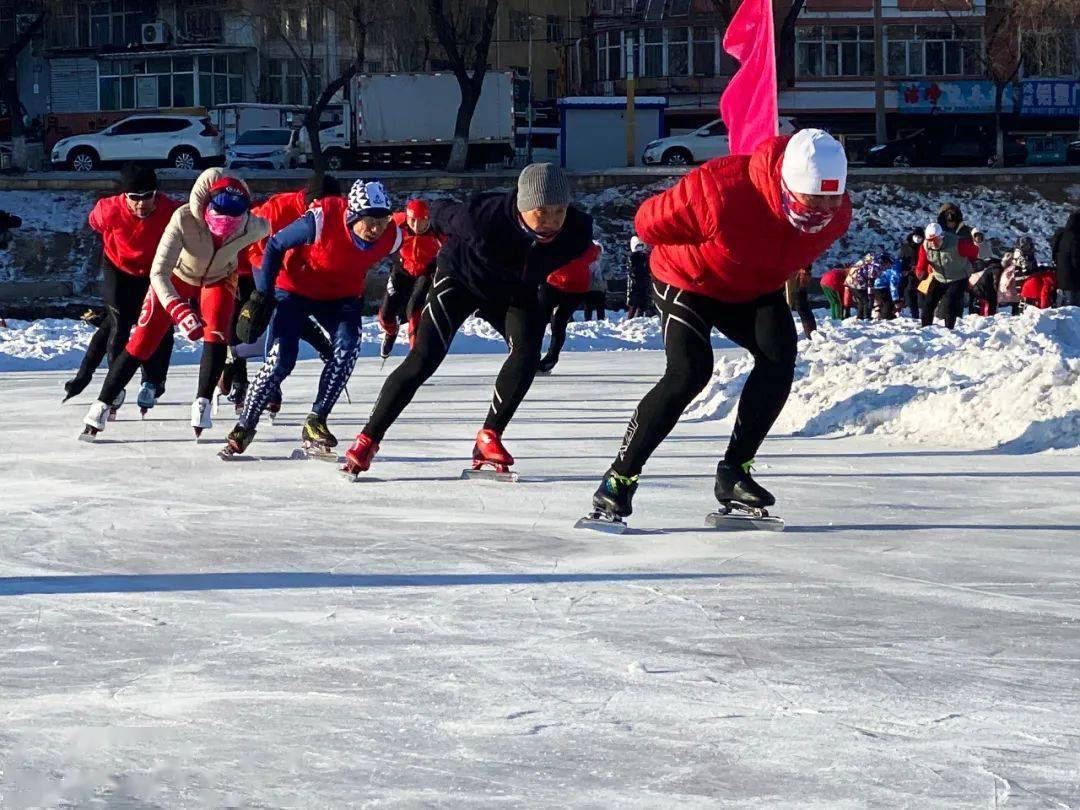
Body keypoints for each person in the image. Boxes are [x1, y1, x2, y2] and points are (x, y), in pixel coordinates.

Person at [587, 129, 851, 524]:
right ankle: (618, 480)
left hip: (751, 285)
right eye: (810, 202)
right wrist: (696, 237)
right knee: (690, 371)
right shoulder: (720, 190)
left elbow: (791, 238)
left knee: (779, 357)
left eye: (830, 202)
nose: (818, 215)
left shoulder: (838, 216)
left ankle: (734, 473)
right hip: (688, 279)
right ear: (785, 184)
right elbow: (647, 224)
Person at [342, 163, 595, 477]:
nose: (552, 222)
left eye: (560, 211)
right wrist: (419, 226)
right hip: (463, 279)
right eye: (542, 212)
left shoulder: (578, 230)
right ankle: (368, 438)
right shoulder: (481, 218)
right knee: (424, 357)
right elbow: (438, 211)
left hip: (515, 290)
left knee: (528, 355)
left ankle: (489, 437)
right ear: (522, 206)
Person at [80, 169, 269, 440]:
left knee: (216, 333)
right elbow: (158, 272)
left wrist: (264, 293)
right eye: (218, 218)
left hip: (218, 279)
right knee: (142, 340)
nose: (224, 228)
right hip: (177, 277)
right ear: (205, 207)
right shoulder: (182, 218)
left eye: (234, 222)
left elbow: (277, 245)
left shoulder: (255, 226)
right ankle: (100, 405)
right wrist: (178, 309)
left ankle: (202, 403)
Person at [224, 179, 403, 456]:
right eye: (369, 221)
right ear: (352, 215)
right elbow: (274, 246)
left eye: (382, 220)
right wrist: (262, 295)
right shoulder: (320, 219)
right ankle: (245, 424)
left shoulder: (392, 235)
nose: (375, 230)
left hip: (342, 297)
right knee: (281, 359)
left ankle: (317, 419)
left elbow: (423, 234)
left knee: (349, 345)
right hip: (295, 289)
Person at [64, 164, 179, 412]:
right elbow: (94, 224)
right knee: (119, 323)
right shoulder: (108, 210)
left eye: (147, 196)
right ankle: (116, 387)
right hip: (119, 268)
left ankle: (152, 381)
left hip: (154, 271)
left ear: (156, 193)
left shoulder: (170, 210)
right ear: (124, 196)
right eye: (134, 198)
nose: (141, 204)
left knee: (158, 324)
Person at [222, 175, 341, 412]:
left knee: (289, 321)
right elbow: (250, 233)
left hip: (300, 268)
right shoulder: (278, 208)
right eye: (319, 206)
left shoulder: (335, 214)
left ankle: (236, 356)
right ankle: (267, 385)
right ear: (310, 200)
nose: (323, 212)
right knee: (274, 319)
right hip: (263, 261)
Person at [377, 198, 444, 359]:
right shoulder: (398, 221)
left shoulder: (438, 231)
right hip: (402, 269)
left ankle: (416, 355)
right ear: (406, 217)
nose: (416, 226)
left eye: (422, 222)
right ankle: (391, 332)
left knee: (413, 310)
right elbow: (379, 222)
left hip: (426, 272)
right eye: (412, 221)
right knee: (385, 314)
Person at [538, 241, 602, 373]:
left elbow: (594, 252)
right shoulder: (558, 236)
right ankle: (532, 357)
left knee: (557, 322)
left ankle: (549, 359)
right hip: (556, 283)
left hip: (573, 287)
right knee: (543, 320)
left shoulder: (583, 242)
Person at [915, 222, 978, 329]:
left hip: (959, 276)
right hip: (939, 277)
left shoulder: (958, 243)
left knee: (950, 301)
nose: (933, 243)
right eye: (930, 241)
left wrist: (970, 265)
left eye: (935, 240)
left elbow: (974, 251)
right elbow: (922, 262)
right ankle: (925, 329)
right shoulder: (925, 246)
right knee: (929, 302)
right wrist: (920, 271)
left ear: (941, 237)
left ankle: (949, 330)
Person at [998, 236, 1038, 315]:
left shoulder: (1027, 255)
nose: (1029, 247)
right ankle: (1021, 314)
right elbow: (1025, 269)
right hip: (1021, 278)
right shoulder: (1020, 254)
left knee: (1022, 298)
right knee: (1023, 297)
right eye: (1026, 245)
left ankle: (1020, 314)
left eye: (1029, 245)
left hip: (1022, 278)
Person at [1053, 211, 1080, 307]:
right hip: (1074, 279)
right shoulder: (1076, 237)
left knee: (1062, 307)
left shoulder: (1061, 234)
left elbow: (1054, 254)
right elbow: (1075, 258)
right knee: (1074, 310)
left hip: (1060, 277)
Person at [898, 227, 924, 318]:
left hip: (921, 273)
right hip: (908, 274)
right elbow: (901, 259)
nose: (917, 238)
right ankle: (915, 315)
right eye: (916, 236)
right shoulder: (905, 247)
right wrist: (904, 270)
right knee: (910, 292)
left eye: (920, 237)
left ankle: (924, 313)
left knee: (922, 294)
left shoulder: (924, 246)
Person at [625, 236, 652, 318]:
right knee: (634, 303)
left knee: (643, 303)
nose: (640, 248)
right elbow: (632, 270)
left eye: (641, 246)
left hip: (644, 282)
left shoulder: (644, 257)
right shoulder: (632, 257)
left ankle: (640, 318)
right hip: (635, 283)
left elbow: (648, 268)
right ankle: (630, 319)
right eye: (638, 246)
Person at [872, 255, 902, 320]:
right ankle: (887, 316)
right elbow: (893, 285)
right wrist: (895, 300)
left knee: (883, 301)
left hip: (875, 288)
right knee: (888, 303)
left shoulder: (880, 268)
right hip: (883, 288)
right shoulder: (895, 270)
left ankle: (881, 313)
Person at [583, 246, 608, 320]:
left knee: (600, 306)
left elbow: (609, 273)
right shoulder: (588, 261)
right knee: (588, 306)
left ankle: (601, 320)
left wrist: (603, 276)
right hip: (589, 287)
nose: (597, 252)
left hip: (600, 287)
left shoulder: (604, 261)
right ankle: (587, 320)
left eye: (599, 250)